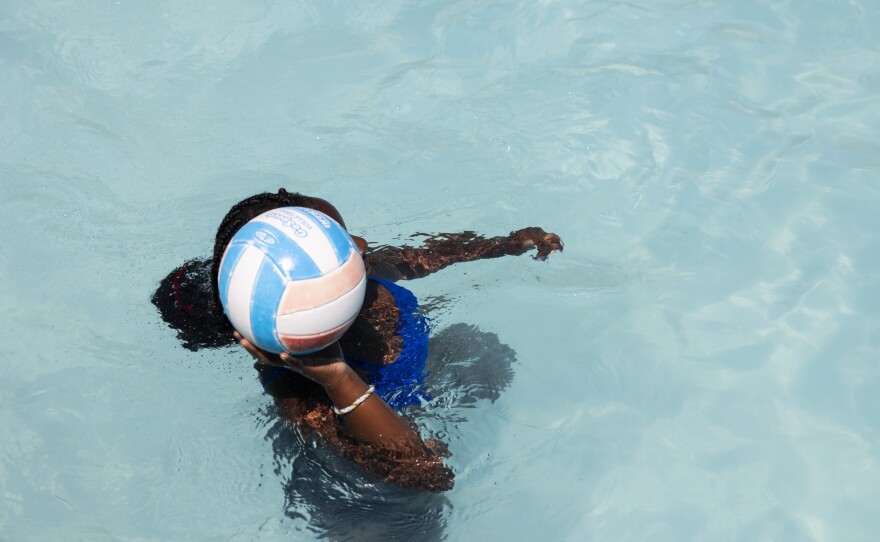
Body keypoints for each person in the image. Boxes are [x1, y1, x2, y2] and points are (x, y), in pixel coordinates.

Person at [152, 189, 563, 492]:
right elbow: (427, 476)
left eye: (345, 236)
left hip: (420, 381)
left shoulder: (358, 269)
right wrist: (336, 378)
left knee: (477, 343)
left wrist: (502, 245)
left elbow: (428, 256)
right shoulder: (295, 389)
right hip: (366, 486)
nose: (362, 246)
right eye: (344, 242)